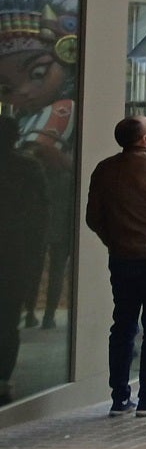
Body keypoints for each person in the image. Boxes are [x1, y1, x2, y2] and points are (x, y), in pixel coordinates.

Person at [86, 115, 146, 416]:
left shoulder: (104, 169)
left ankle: (119, 397)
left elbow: (93, 218)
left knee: (123, 326)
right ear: (144, 139)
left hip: (121, 260)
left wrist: (114, 241)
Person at [0, 115, 49, 405]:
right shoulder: (28, 169)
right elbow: (39, 216)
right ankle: (3, 377)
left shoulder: (28, 169)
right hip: (14, 258)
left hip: (14, 255)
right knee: (7, 320)